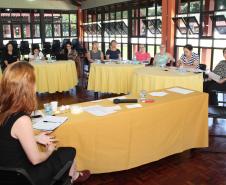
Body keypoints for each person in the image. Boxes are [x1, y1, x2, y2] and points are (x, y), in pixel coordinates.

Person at [0, 62, 90, 185]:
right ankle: (71, 177)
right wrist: (49, 151)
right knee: (69, 151)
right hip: (25, 176)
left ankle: (72, 176)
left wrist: (35, 138)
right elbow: (35, 160)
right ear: (27, 87)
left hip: (6, 171)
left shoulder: (3, 109)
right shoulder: (21, 120)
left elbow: (7, 138)